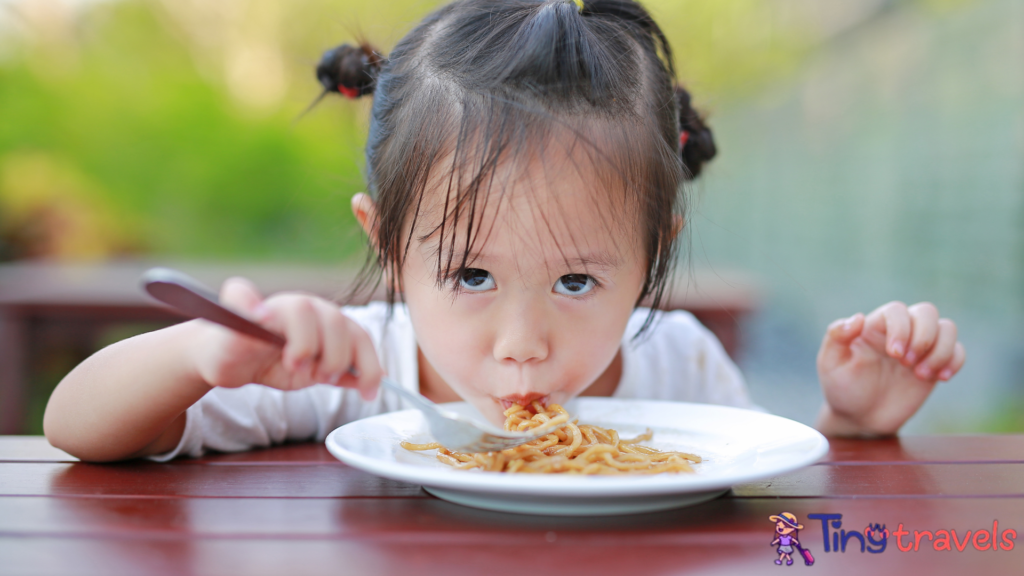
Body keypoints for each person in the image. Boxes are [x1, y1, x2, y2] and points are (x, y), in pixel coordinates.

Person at [43, 0, 966, 462]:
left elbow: (775, 509)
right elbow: (73, 428)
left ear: (652, 256)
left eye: (576, 283)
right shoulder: (345, 371)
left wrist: (848, 427)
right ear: (388, 241)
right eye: (472, 276)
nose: (522, 348)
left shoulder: (681, 371)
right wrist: (203, 356)